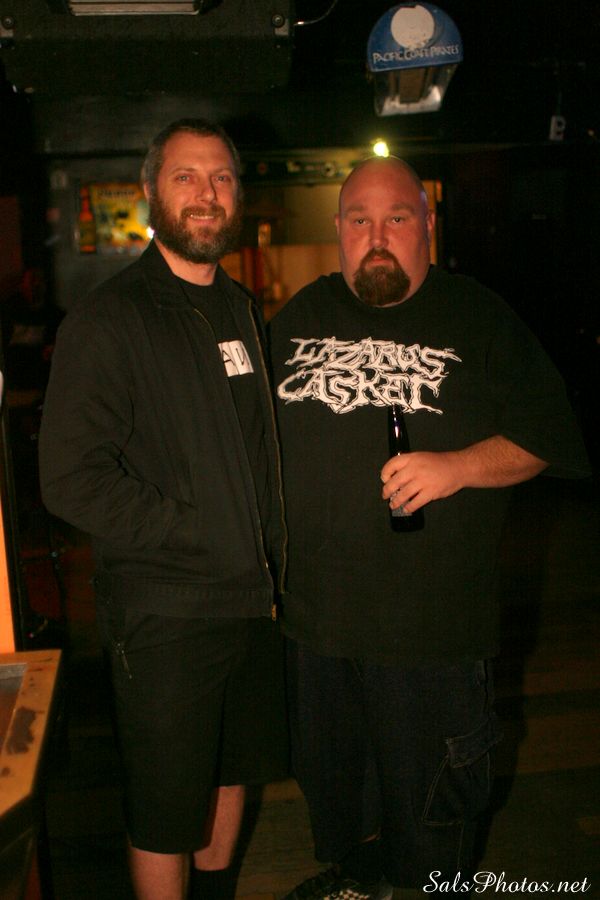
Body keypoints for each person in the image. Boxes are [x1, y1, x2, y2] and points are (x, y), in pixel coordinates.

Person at [269, 156, 590, 899]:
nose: (377, 237)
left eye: (397, 218)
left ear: (428, 226)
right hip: (317, 630)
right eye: (360, 220)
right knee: (338, 796)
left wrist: (459, 467)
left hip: (432, 636)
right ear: (339, 230)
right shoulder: (300, 318)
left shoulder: (478, 317)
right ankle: (356, 880)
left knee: (433, 818)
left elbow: (550, 436)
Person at [39, 119, 288, 900]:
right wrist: (193, 529)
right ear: (151, 193)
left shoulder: (240, 307)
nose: (206, 194)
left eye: (221, 177)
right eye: (186, 177)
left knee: (229, 773)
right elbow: (69, 479)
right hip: (165, 611)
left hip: (249, 602)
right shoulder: (110, 318)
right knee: (163, 808)